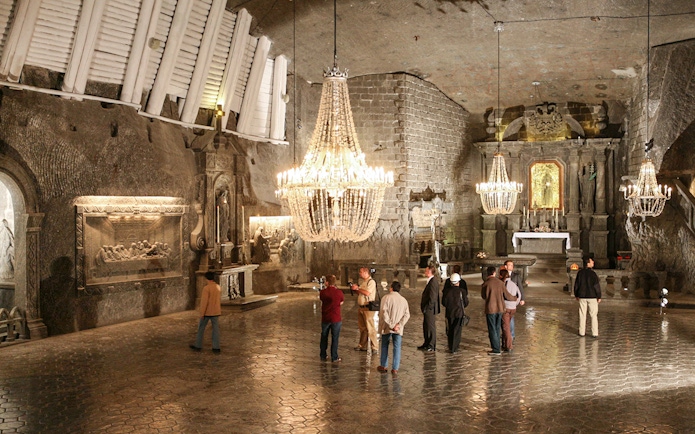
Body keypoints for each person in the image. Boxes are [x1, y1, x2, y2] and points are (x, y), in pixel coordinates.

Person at [481, 266, 517, 355]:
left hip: (490, 309)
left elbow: (483, 296)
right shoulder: (500, 283)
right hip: (500, 308)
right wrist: (515, 298)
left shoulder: (485, 284)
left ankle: (496, 349)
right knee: (497, 328)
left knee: (492, 329)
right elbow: (507, 295)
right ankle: (498, 346)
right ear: (494, 273)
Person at [377, 281, 410, 375]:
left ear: (391, 288)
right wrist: (399, 325)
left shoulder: (386, 298)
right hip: (398, 329)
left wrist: (391, 325)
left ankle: (383, 365)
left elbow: (384, 313)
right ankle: (395, 368)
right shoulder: (403, 300)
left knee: (384, 345)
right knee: (397, 347)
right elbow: (407, 315)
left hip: (387, 326)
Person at [190, 271, 222, 353]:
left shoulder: (206, 288)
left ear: (207, 278)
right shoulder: (218, 287)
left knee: (201, 328)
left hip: (207, 312)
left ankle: (198, 345)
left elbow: (204, 302)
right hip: (215, 311)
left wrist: (202, 313)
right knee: (216, 329)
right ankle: (216, 347)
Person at [351, 267, 378, 353]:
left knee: (370, 328)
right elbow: (360, 293)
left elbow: (367, 293)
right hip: (361, 307)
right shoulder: (363, 282)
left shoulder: (371, 282)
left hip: (368, 308)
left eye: (361, 272)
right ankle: (362, 345)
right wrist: (355, 289)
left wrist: (358, 288)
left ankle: (375, 347)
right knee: (362, 328)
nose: (359, 273)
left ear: (366, 272)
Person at [574, 255, 601, 338]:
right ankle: (594, 332)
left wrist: (576, 294)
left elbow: (576, 285)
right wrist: (599, 296)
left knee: (582, 314)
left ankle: (582, 332)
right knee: (593, 315)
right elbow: (596, 286)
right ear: (588, 263)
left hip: (582, 296)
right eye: (591, 261)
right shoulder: (593, 274)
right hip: (592, 296)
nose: (593, 262)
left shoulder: (580, 273)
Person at [319, 274, 344, 363]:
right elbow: (341, 302)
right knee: (335, 338)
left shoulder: (323, 292)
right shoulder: (339, 292)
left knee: (324, 336)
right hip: (336, 318)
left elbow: (322, 300)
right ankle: (334, 357)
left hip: (326, 317)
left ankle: (323, 354)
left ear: (327, 282)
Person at [441, 273, 468, 353]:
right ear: (458, 282)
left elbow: (443, 302)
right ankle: (455, 347)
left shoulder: (447, 291)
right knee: (457, 331)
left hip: (449, 313)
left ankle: (450, 345)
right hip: (459, 313)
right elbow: (466, 303)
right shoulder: (462, 291)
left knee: (450, 329)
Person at [418, 264, 440, 352]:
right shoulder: (430, 281)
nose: (425, 272)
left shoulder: (433, 281)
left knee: (430, 327)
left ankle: (431, 344)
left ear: (431, 271)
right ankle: (426, 343)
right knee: (426, 326)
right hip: (427, 308)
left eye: (427, 271)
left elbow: (433, 296)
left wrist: (428, 307)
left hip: (430, 309)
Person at [499, 269, 521, 352]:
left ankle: (509, 346)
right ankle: (504, 344)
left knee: (506, 328)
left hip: (506, 308)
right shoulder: (513, 284)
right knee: (506, 326)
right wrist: (515, 304)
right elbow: (519, 295)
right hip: (513, 308)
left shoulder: (502, 284)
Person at [503, 260, 526, 339]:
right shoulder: (502, 275)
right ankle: (506, 333)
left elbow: (520, 287)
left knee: (511, 318)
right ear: (505, 266)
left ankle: (511, 334)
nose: (511, 267)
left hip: (512, 301)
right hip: (504, 301)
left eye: (512, 265)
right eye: (509, 265)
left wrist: (522, 298)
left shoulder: (516, 276)